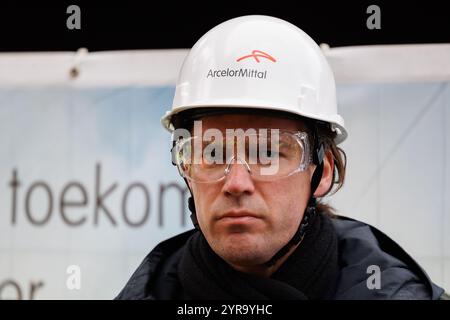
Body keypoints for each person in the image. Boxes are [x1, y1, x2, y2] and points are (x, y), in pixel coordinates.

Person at [116, 15, 446, 300]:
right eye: (213, 153)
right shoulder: (149, 291)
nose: (236, 183)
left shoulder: (389, 292)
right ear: (186, 168)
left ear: (324, 171)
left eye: (268, 152)